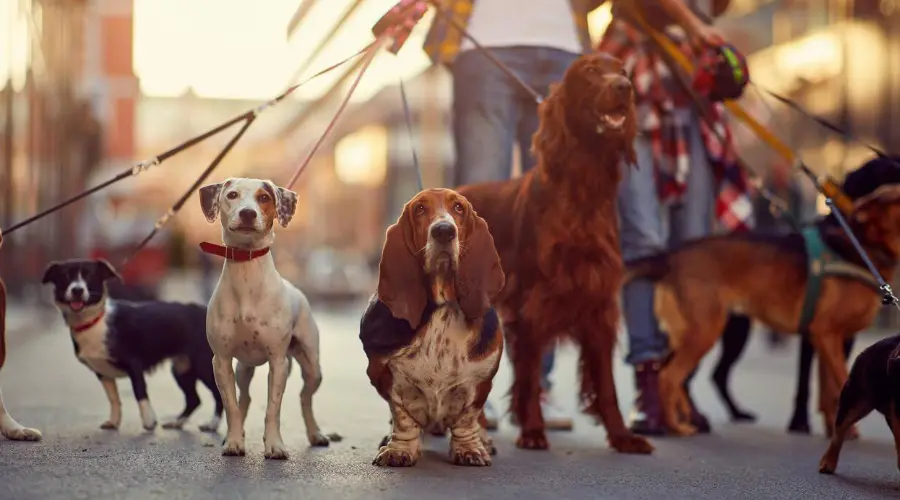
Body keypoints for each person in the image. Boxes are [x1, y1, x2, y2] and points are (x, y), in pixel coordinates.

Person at [414, 0, 613, 431]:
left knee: (550, 238)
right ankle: (456, 385)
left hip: (565, 47)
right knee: (471, 221)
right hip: (485, 41)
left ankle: (532, 390)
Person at [598, 0, 756, 435]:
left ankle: (676, 382)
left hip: (693, 104)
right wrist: (691, 22)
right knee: (643, 244)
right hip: (634, 88)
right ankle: (648, 384)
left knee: (695, 253)